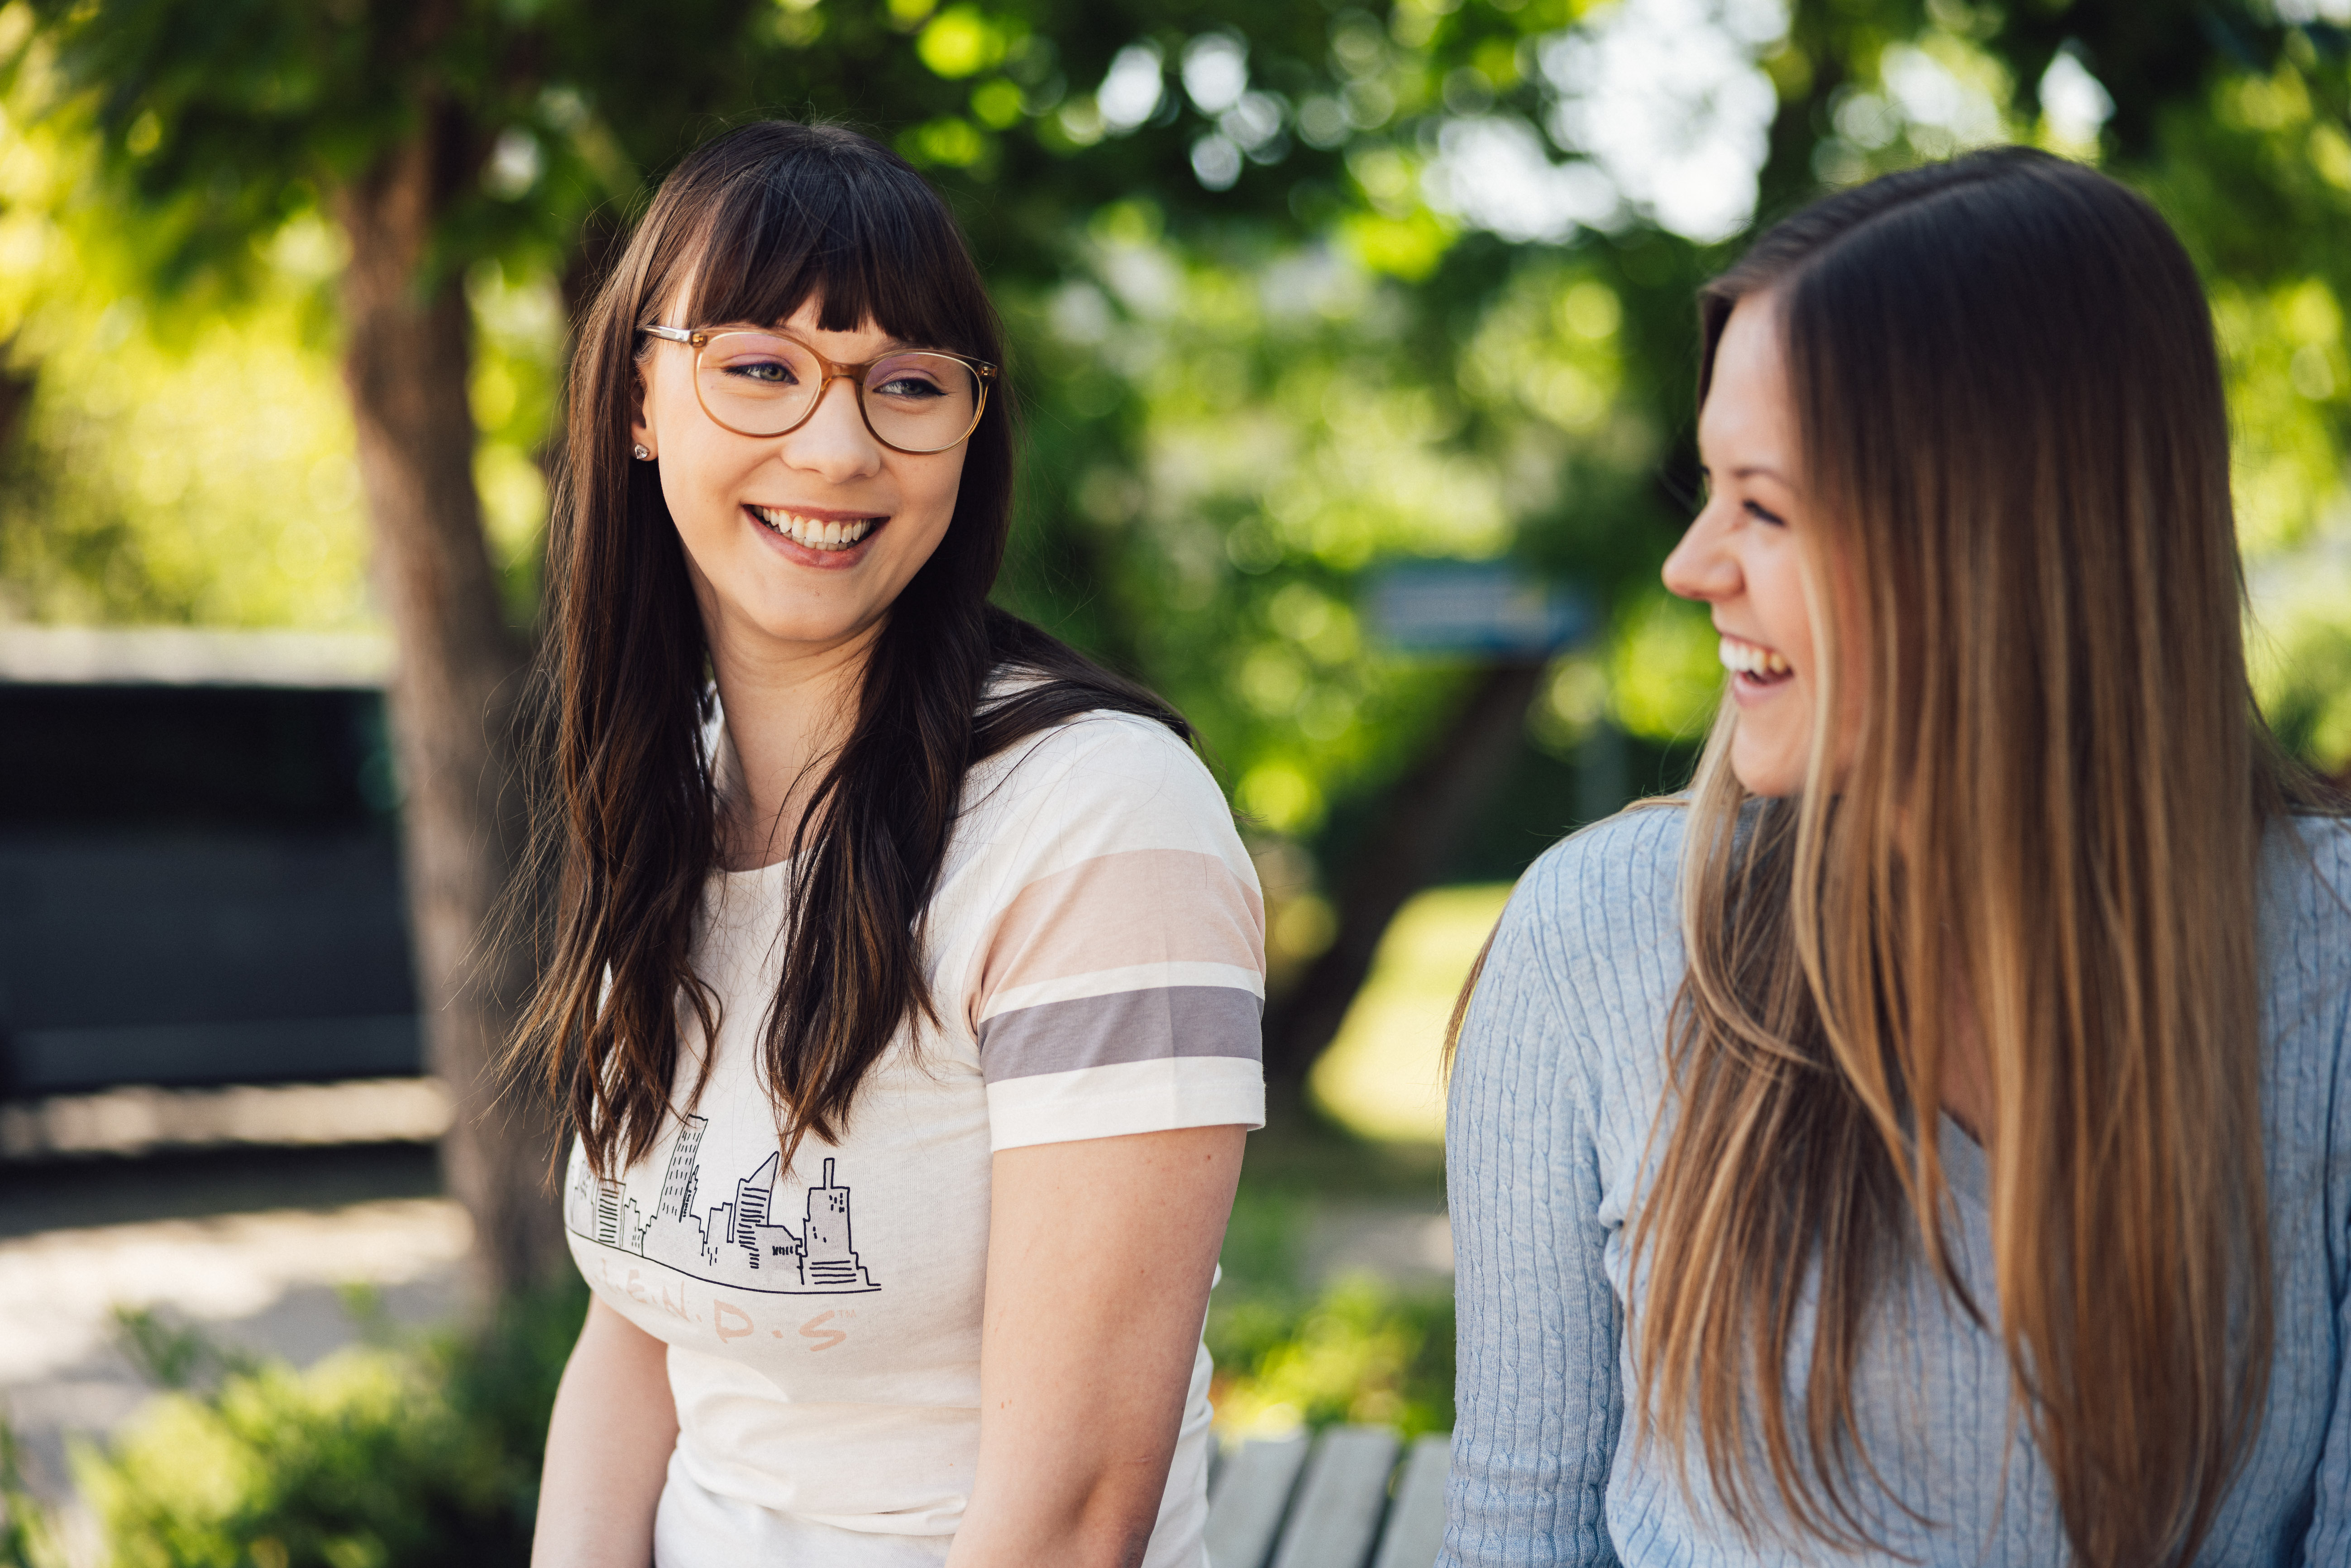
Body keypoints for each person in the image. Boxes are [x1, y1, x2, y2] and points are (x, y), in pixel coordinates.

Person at [1442, 147, 2351, 1568]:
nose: (1691, 565)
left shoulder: (2334, 968)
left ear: (2001, 545)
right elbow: (1516, 1536)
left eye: (1767, 506)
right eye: (1707, 489)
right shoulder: (1597, 936)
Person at [518, 121, 1266, 1568]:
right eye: (759, 368)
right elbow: (638, 1341)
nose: (839, 445)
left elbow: (1068, 1520)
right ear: (638, 401)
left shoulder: (1096, 822)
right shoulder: (672, 783)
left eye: (907, 385)